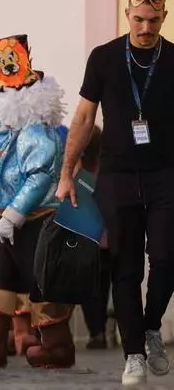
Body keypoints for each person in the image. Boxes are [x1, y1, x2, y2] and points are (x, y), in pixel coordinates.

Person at [57, 0, 174, 385]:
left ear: (164, 17)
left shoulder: (173, 59)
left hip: (165, 174)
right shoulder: (104, 58)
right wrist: (67, 173)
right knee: (125, 268)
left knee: (166, 257)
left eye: (153, 21)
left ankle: (151, 324)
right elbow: (85, 118)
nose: (145, 28)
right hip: (118, 175)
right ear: (127, 14)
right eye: (139, 19)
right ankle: (134, 353)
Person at [0, 36, 72, 369]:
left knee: (43, 282)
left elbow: (39, 175)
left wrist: (15, 213)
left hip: (36, 220)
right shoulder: (1, 130)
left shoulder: (35, 132)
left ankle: (56, 346)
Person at [73, 126, 113, 349]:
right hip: (106, 239)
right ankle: (101, 331)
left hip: (86, 238)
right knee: (105, 286)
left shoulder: (79, 168)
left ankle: (96, 331)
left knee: (89, 289)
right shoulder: (107, 167)